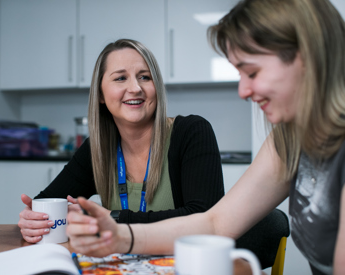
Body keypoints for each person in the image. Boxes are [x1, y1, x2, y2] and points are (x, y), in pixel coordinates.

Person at [65, 0, 345, 274]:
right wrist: (120, 235)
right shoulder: (290, 142)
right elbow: (215, 223)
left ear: (307, 57)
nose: (243, 91)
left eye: (252, 72)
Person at [18, 39, 224, 244]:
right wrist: (33, 220)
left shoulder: (191, 132)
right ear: (100, 93)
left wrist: (112, 218)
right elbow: (48, 204)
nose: (135, 88)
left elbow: (204, 220)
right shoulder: (97, 148)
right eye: (120, 78)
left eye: (144, 77)